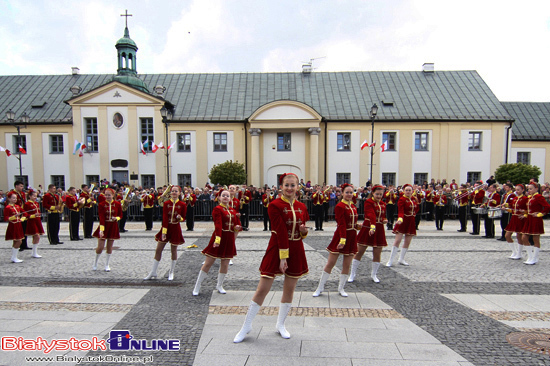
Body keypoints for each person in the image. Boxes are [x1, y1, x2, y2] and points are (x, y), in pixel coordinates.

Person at [234, 173, 309, 343]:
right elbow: (280, 231)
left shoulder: (302, 207)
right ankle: (246, 326)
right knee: (263, 288)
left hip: (297, 248)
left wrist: (304, 232)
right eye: (286, 185)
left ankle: (280, 325)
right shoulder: (274, 205)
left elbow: (301, 230)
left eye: (293, 185)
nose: (290, 188)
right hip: (277, 248)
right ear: (281, 186)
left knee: (289, 289)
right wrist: (283, 257)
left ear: (298, 187)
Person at [313, 184, 361, 297]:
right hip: (340, 236)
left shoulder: (353, 206)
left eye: (351, 192)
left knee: (347, 265)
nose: (349, 194)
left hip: (352, 236)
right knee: (330, 263)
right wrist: (342, 240)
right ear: (342, 193)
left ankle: (341, 288)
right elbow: (341, 224)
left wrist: (357, 226)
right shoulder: (340, 206)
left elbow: (351, 222)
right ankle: (320, 288)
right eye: (347, 192)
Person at [192, 189, 242, 295]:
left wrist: (237, 227)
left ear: (230, 198)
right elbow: (218, 225)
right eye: (223, 195)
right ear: (219, 198)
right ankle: (197, 285)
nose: (225, 197)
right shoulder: (217, 209)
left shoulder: (233, 211)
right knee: (208, 263)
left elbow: (237, 226)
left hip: (229, 239)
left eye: (227, 196)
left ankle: (219, 285)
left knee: (225, 264)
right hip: (219, 237)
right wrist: (217, 240)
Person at [144, 186, 187, 280]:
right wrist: (164, 231)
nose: (174, 193)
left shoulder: (182, 204)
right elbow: (164, 218)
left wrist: (180, 218)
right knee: (158, 249)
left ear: (179, 193)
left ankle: (171, 272)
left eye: (176, 191)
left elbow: (184, 218)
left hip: (176, 228)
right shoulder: (166, 203)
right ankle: (153, 271)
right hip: (166, 228)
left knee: (173, 250)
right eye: (173, 191)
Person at [350, 184, 387, 283]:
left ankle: (374, 274)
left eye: (380, 194)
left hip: (379, 229)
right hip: (368, 227)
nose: (379, 196)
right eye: (377, 194)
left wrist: (384, 220)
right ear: (373, 193)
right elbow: (371, 215)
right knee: (359, 251)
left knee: (377, 253)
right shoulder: (368, 202)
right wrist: (373, 226)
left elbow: (382, 215)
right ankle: (352, 274)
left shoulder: (383, 204)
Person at [387, 184, 418, 267]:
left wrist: (414, 213)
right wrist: (400, 218)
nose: (408, 192)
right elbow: (401, 210)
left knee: (407, 241)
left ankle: (401, 259)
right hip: (403, 221)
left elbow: (416, 208)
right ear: (404, 191)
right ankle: (390, 260)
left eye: (409, 190)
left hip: (411, 221)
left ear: (412, 191)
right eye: (406, 190)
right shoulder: (402, 199)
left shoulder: (414, 199)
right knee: (397, 240)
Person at [91, 188, 122, 271]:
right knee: (100, 247)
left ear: (113, 195)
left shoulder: (117, 204)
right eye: (106, 195)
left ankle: (107, 264)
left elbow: (120, 214)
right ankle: (95, 262)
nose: (107, 196)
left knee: (109, 247)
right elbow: (101, 217)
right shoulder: (101, 204)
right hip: (104, 225)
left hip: (113, 226)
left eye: (109, 195)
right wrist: (101, 229)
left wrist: (117, 218)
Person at [522, 182, 550, 265]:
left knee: (535, 239)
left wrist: (540, 214)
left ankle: (534, 257)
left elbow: (547, 206)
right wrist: (525, 214)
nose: (529, 190)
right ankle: (530, 256)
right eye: (528, 189)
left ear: (536, 189)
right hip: (529, 219)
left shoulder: (539, 197)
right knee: (524, 237)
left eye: (531, 189)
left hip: (535, 219)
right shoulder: (530, 197)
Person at [504, 184, 528, 260]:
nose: (517, 191)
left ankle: (519, 253)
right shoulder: (515, 198)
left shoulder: (525, 199)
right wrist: (506, 208)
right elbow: (513, 209)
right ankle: (514, 251)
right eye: (516, 190)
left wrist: (525, 214)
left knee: (519, 236)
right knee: (507, 235)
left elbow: (528, 209)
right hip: (514, 218)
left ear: (523, 190)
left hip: (520, 218)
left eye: (518, 190)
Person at [4, 192, 26, 263]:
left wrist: (22, 219)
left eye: (16, 198)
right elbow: (6, 218)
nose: (15, 199)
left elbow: (25, 213)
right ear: (9, 199)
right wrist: (14, 216)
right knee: (19, 241)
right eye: (13, 198)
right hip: (13, 225)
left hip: (18, 224)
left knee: (16, 241)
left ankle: (14, 257)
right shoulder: (7, 207)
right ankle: (14, 257)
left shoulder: (17, 206)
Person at [23, 190, 44, 258]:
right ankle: (34, 252)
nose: (35, 197)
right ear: (30, 196)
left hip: (37, 220)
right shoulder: (27, 204)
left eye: (36, 196)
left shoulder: (36, 203)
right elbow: (25, 213)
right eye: (34, 196)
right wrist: (33, 215)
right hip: (31, 221)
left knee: (37, 236)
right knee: (36, 235)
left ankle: (34, 252)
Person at [8, 181, 28, 251]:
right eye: (21, 186)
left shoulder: (22, 193)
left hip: (22, 213)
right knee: (18, 231)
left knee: (24, 229)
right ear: (16, 186)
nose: (22, 188)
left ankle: (24, 244)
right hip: (15, 213)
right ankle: (18, 246)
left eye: (22, 186)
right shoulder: (11, 194)